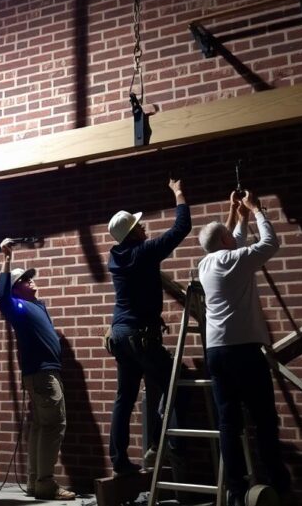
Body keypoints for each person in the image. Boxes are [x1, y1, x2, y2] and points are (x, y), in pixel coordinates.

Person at [197, 190, 291, 506]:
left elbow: (229, 240)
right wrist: (257, 210)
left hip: (216, 351)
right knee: (264, 419)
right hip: (244, 351)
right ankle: (280, 486)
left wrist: (238, 214)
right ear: (225, 242)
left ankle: (235, 493)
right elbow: (269, 244)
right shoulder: (236, 259)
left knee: (229, 422)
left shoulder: (205, 264)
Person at [106, 178, 191, 475]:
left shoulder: (115, 257)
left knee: (125, 397)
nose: (145, 229)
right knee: (174, 383)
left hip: (119, 334)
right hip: (141, 335)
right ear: (133, 233)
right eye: (140, 227)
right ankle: (162, 447)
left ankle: (119, 461)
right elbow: (181, 229)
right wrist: (178, 193)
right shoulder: (143, 251)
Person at [0, 238, 76, 501]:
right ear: (15, 289)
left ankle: (34, 482)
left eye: (30, 277)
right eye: (24, 280)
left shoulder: (35, 306)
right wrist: (7, 259)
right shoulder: (18, 308)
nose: (30, 280)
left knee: (42, 427)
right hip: (43, 376)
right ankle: (45, 483)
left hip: (44, 374)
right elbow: (1, 298)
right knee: (54, 425)